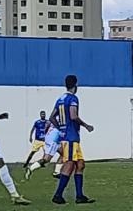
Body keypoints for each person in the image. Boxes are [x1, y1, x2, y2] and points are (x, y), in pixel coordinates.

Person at [51, 74, 95, 204]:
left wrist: (60, 128)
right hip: (71, 137)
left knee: (80, 164)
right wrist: (86, 125)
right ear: (75, 85)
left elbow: (52, 117)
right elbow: (73, 115)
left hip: (68, 137)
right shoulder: (73, 99)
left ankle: (80, 196)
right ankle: (58, 195)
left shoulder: (60, 99)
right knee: (70, 164)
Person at [24, 109, 64, 181]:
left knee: (63, 153)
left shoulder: (56, 116)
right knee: (46, 159)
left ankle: (57, 172)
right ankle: (31, 168)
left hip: (50, 137)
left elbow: (47, 125)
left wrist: (47, 135)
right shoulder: (64, 118)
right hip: (54, 140)